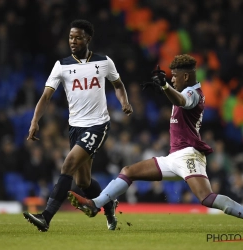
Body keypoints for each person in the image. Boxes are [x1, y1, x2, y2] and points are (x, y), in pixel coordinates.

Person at [67, 54, 243, 222]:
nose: (172, 79)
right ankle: (95, 204)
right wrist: (164, 89)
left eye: (175, 76)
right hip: (174, 157)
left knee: (206, 198)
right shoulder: (187, 90)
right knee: (128, 171)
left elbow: (181, 100)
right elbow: (177, 97)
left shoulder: (193, 93)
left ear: (187, 76)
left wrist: (166, 86)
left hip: (189, 155)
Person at [23, 19, 133, 232]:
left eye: (78, 37)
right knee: (83, 182)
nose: (73, 41)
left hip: (98, 125)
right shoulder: (62, 65)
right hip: (75, 127)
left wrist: (124, 101)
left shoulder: (104, 62)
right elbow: (46, 96)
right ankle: (109, 208)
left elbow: (118, 85)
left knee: (67, 165)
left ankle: (45, 217)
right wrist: (34, 120)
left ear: (88, 39)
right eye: (71, 37)